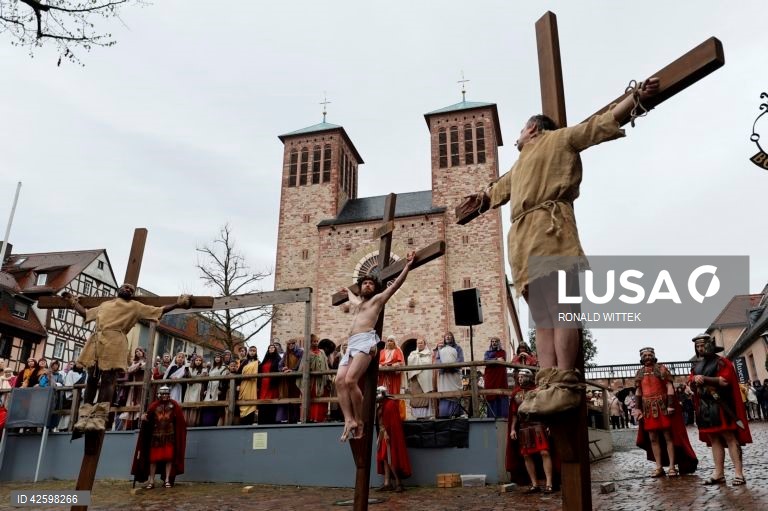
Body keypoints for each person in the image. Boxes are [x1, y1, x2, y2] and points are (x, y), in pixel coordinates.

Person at [468, 78, 660, 415]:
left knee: (559, 310)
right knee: (543, 318)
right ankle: (548, 383)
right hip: (524, 237)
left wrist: (634, 99)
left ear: (532, 128)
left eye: (520, 131)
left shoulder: (558, 139)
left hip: (548, 228)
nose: (516, 137)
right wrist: (480, 198)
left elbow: (595, 126)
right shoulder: (517, 168)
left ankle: (566, 384)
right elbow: (493, 192)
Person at [63, 284, 191, 432]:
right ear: (119, 289)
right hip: (96, 341)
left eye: (131, 290)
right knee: (91, 378)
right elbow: (86, 314)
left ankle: (99, 418)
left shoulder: (135, 306)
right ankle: (84, 416)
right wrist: (73, 302)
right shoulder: (105, 304)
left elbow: (159, 310)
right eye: (126, 287)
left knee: (108, 380)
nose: (128, 290)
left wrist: (178, 304)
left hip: (116, 341)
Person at [335, 251, 415, 441]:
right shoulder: (357, 303)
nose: (368, 285)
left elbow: (395, 285)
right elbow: (351, 296)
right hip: (352, 343)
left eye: (371, 283)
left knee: (350, 381)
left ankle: (361, 420)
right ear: (361, 287)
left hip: (365, 341)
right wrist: (347, 292)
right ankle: (349, 419)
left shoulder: (377, 301)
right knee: (338, 381)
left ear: (375, 288)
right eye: (365, 283)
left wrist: (407, 266)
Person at [689, 333, 752, 486]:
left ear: (710, 345)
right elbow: (691, 383)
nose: (700, 348)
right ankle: (719, 473)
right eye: (697, 346)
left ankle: (739, 473)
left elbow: (724, 381)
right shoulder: (696, 366)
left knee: (730, 437)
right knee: (714, 439)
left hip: (722, 405)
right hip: (705, 407)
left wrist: (702, 379)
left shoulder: (722, 362)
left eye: (702, 345)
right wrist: (693, 380)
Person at [634, 347, 697, 477]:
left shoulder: (662, 369)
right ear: (641, 358)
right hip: (648, 409)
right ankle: (659, 467)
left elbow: (669, 387)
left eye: (649, 354)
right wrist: (638, 408)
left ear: (654, 355)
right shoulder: (639, 373)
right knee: (653, 438)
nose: (647, 357)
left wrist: (670, 405)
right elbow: (638, 391)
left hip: (662, 407)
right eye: (644, 355)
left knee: (668, 436)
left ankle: (672, 466)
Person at [507, 369, 556, 493]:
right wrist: (513, 429)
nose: (520, 379)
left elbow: (546, 409)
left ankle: (549, 483)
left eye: (522, 377)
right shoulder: (516, 394)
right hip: (523, 427)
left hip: (539, 425)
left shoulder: (539, 391)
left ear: (529, 377)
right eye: (519, 377)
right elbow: (514, 414)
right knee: (526, 455)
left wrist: (550, 425)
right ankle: (535, 484)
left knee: (544, 452)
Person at [131, 385, 187, 489]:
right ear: (159, 395)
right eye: (163, 394)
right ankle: (151, 481)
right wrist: (144, 418)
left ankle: (167, 480)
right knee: (153, 460)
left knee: (169, 459)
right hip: (156, 436)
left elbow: (180, 421)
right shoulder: (154, 405)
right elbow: (148, 418)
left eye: (166, 394)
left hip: (169, 435)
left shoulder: (174, 405)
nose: (165, 396)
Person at [375, 386, 411, 493]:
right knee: (384, 458)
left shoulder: (390, 404)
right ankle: (387, 483)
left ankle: (398, 482)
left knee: (391, 458)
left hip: (389, 435)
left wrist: (387, 433)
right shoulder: (381, 405)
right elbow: (380, 421)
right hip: (382, 434)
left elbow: (393, 424)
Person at [436, 332, 465, 418]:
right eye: (446, 336)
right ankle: (445, 414)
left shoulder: (458, 348)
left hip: (454, 374)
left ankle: (456, 413)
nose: (448, 337)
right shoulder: (441, 349)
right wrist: (444, 367)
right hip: (444, 375)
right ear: (444, 338)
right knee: (444, 393)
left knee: (455, 393)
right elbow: (437, 359)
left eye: (450, 336)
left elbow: (460, 359)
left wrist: (451, 367)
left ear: (452, 338)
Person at [305, 334, 331, 423]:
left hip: (322, 379)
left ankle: (321, 417)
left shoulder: (322, 352)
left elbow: (326, 365)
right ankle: (312, 417)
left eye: (316, 341)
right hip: (313, 380)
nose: (315, 343)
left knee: (322, 397)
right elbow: (303, 366)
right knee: (313, 398)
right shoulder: (307, 353)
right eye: (313, 341)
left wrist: (328, 377)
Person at [277, 338, 303, 424]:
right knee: (287, 397)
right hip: (287, 380)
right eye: (289, 344)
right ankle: (288, 418)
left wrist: (292, 370)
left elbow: (300, 364)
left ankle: (295, 418)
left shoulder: (300, 352)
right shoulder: (286, 354)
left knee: (296, 398)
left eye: (292, 344)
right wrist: (283, 369)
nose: (291, 345)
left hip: (297, 378)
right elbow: (280, 364)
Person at [407, 339, 434, 419]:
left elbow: (428, 362)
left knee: (425, 396)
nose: (420, 344)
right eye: (418, 343)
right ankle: (417, 415)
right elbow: (410, 361)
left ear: (424, 344)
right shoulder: (413, 353)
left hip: (425, 378)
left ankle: (426, 415)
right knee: (416, 396)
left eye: (421, 343)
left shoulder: (428, 353)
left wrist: (417, 360)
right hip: (416, 377)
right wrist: (417, 358)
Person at [483, 337, 509, 419]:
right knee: (491, 395)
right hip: (490, 378)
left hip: (500, 377)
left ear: (498, 343)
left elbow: (502, 360)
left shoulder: (502, 352)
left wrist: (492, 361)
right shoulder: (487, 352)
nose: (494, 343)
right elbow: (486, 360)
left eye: (495, 341)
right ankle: (491, 417)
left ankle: (503, 417)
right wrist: (496, 359)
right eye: (492, 341)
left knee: (501, 395)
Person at [258, 344, 282, 424]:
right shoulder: (265, 360)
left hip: (272, 383)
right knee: (263, 401)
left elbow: (280, 369)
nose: (271, 349)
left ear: (275, 349)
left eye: (273, 348)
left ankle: (271, 421)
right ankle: (262, 421)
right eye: (269, 348)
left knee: (271, 401)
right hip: (263, 384)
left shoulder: (278, 359)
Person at [183, 354, 207, 427]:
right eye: (197, 360)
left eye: (200, 360)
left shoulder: (204, 369)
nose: (198, 362)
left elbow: (203, 377)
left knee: (195, 404)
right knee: (188, 402)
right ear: (194, 361)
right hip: (190, 389)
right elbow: (187, 377)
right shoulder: (189, 368)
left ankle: (193, 422)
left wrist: (193, 379)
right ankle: (185, 422)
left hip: (198, 388)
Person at [238, 346, 260, 425]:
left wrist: (258, 387)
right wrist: (238, 384)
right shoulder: (244, 362)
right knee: (243, 402)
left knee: (252, 403)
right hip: (244, 385)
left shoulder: (258, 363)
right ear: (248, 352)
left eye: (254, 351)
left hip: (253, 385)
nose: (252, 352)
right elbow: (238, 373)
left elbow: (260, 376)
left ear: (256, 352)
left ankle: (250, 421)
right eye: (251, 350)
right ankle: (243, 422)